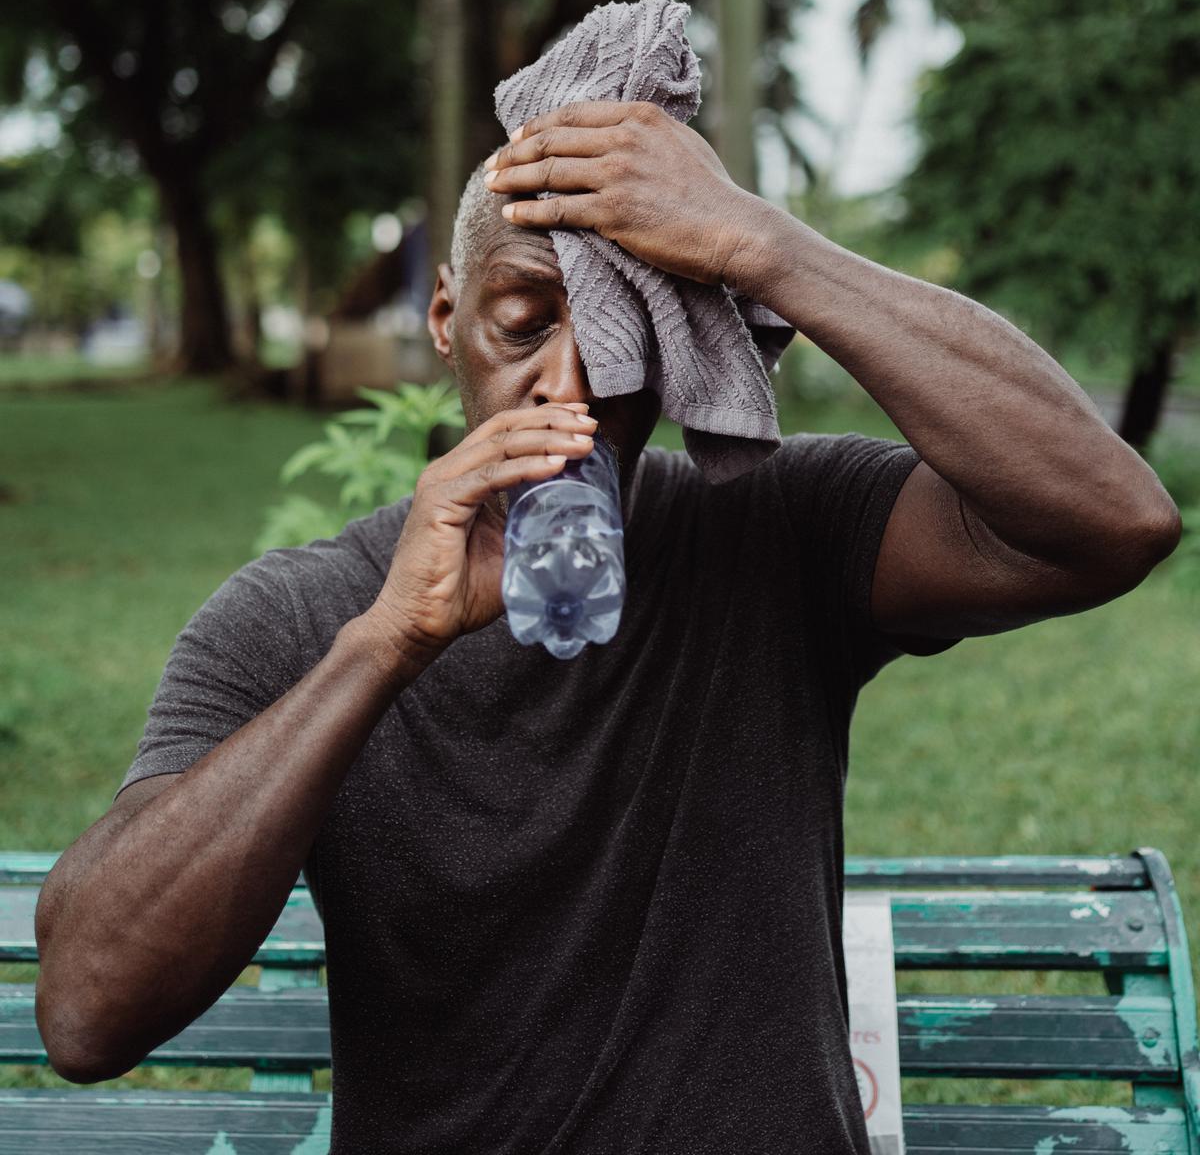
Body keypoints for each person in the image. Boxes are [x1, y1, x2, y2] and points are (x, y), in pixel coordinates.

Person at [35, 100, 1180, 1154]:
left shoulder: (772, 532)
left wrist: (765, 245)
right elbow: (88, 1012)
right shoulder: (300, 619)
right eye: (522, 324)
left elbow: (1114, 521)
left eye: (624, 342)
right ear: (447, 319)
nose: (565, 390)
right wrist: (388, 645)